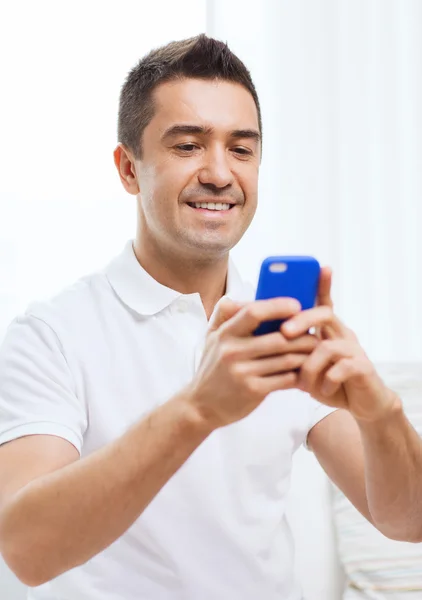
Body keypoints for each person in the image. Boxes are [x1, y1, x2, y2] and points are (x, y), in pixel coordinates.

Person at [0, 34, 421, 600]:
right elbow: (25, 550)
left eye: (241, 149)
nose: (220, 173)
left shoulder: (284, 330)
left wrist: (381, 410)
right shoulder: (52, 336)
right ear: (129, 168)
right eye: (188, 146)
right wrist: (198, 408)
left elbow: (404, 521)